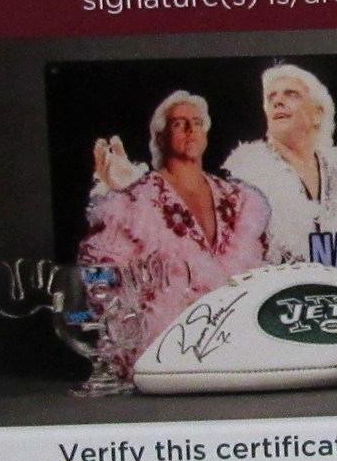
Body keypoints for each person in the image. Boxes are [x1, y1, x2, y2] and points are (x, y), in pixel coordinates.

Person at [80, 91, 270, 362]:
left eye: (197, 122)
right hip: (164, 353)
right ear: (160, 137)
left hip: (237, 349)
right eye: (179, 124)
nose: (191, 129)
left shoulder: (239, 199)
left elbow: (263, 272)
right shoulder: (134, 201)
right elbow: (98, 277)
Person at [223, 64, 337, 262]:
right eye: (271, 97)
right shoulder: (242, 181)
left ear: (317, 114)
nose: (277, 101)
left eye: (291, 94)